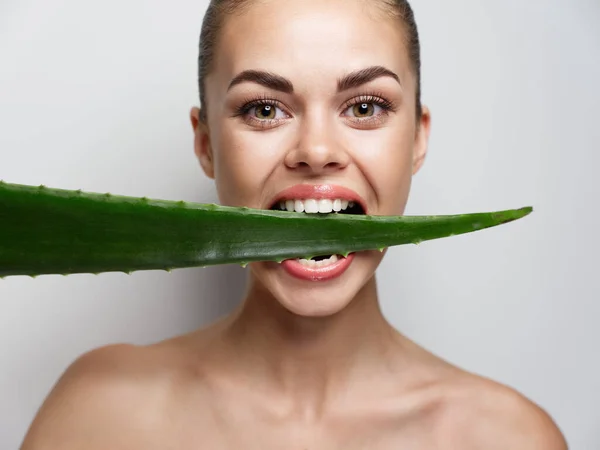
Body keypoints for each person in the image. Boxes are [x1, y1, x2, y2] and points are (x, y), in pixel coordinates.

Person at [21, 0, 568, 448]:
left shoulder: (508, 437)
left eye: (364, 106)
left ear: (418, 138)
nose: (316, 151)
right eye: (263, 110)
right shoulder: (99, 415)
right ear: (206, 143)